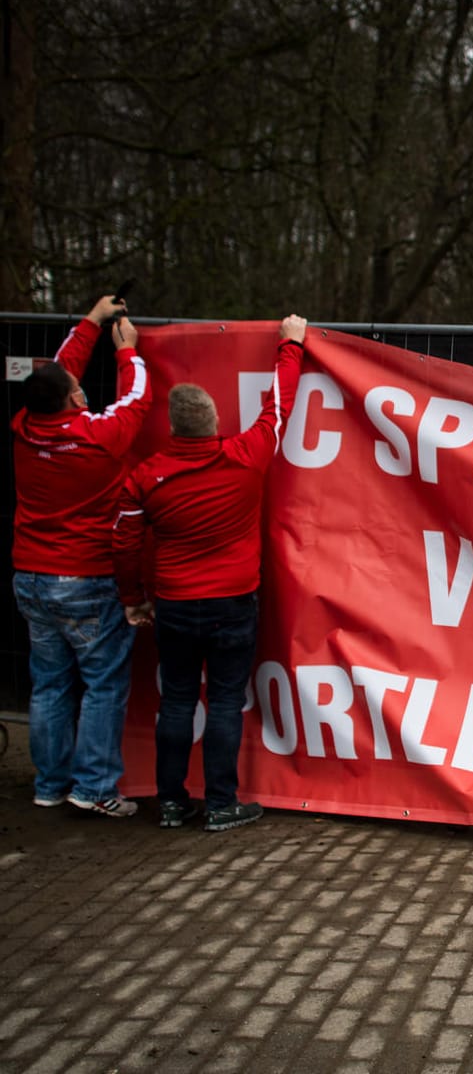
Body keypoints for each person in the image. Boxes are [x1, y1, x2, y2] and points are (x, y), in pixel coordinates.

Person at [112, 315, 306, 832]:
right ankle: (222, 803)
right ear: (215, 420)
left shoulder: (145, 477)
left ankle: (171, 803)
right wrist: (291, 344)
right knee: (224, 700)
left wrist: (133, 597)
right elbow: (279, 404)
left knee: (175, 701)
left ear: (173, 426)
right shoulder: (244, 456)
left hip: (173, 604)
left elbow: (124, 542)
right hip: (232, 604)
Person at [12, 295, 151, 817]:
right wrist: (127, 351)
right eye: (75, 388)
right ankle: (93, 789)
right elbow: (137, 397)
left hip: (31, 577)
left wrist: (91, 321)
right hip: (87, 580)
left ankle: (49, 785)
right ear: (73, 401)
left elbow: (60, 369)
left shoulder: (26, 427)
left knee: (48, 683)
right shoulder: (99, 436)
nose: (79, 385)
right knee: (103, 686)